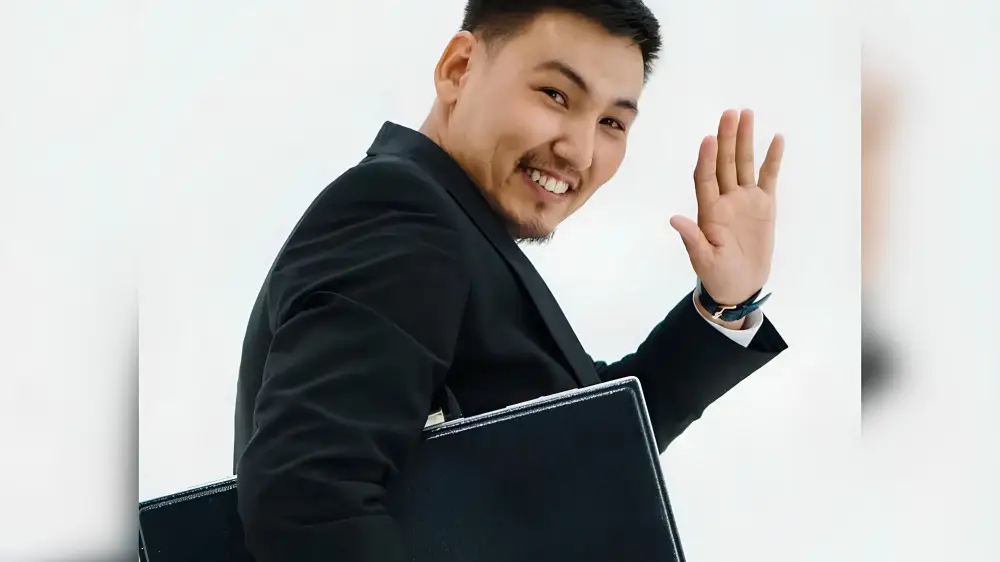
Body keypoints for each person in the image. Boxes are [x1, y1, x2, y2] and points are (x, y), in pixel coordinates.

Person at [233, 1, 787, 560]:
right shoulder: (401, 214)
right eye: (556, 95)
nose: (580, 151)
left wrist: (726, 304)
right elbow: (307, 499)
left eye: (611, 123)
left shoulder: (446, 227)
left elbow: (585, 440)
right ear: (458, 70)